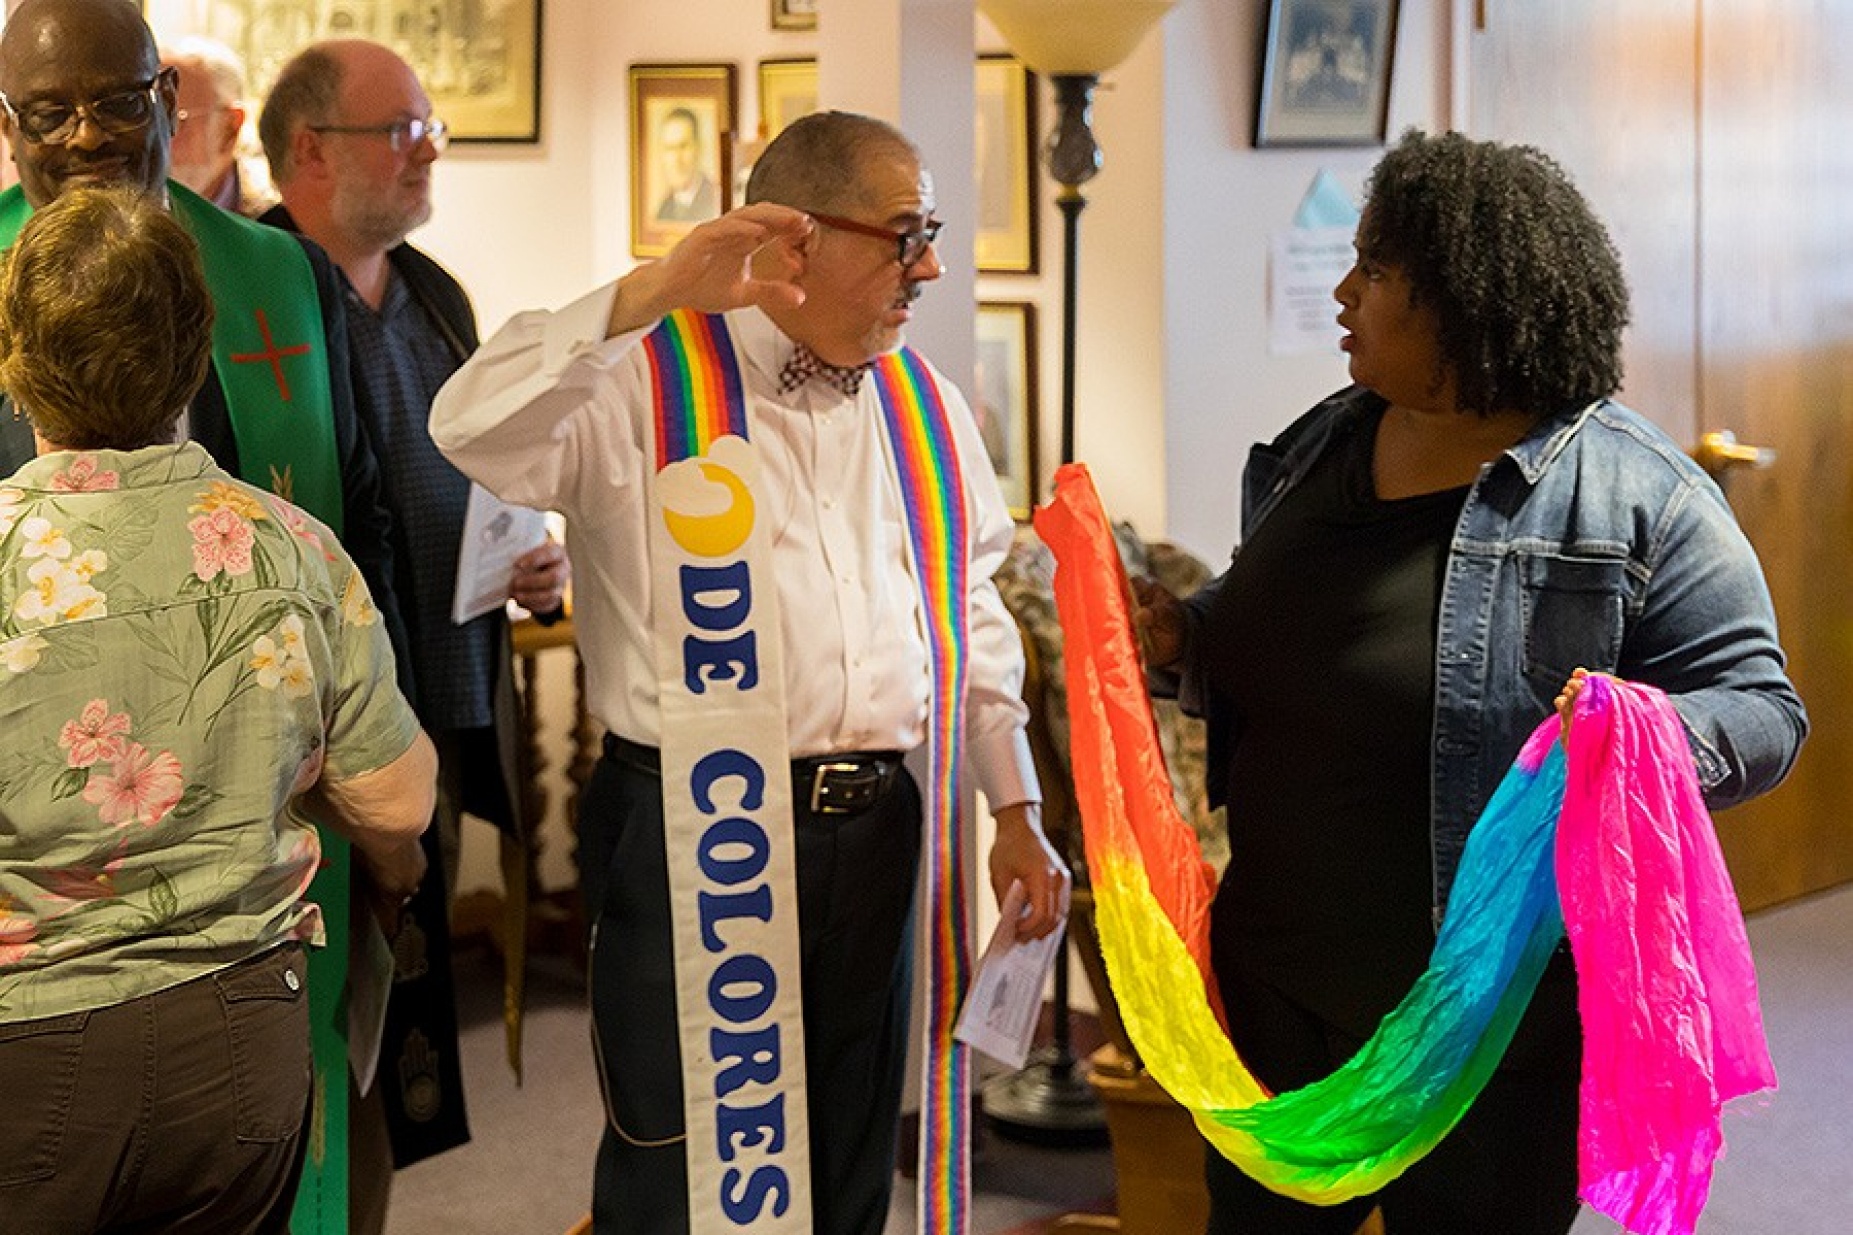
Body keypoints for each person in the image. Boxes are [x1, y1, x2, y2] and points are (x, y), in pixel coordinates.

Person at [1134, 129, 1807, 1235]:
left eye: (1377, 272)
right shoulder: (1318, 445)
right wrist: (1182, 638)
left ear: (1468, 304)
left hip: (1488, 1025)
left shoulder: (1641, 499)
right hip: (1272, 996)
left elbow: (1762, 713)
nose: (1342, 294)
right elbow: (1277, 640)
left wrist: (1635, 730)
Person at [430, 110, 1069, 1235]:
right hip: (693, 825)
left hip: (875, 827)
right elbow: (468, 426)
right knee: (683, 1164)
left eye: (931, 232)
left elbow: (967, 614)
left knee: (848, 1151)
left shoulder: (924, 404)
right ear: (796, 239)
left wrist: (1012, 800)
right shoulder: (641, 381)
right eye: (905, 233)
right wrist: (647, 292)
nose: (927, 265)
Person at [0, 185, 432, 1234]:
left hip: (29, 1047)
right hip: (241, 1031)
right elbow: (398, 803)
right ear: (199, 353)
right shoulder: (291, 547)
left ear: (16, 363)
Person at [256, 34, 570, 1208]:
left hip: (435, 709)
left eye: (431, 123)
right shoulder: (258, 290)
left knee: (396, 1035)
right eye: (404, 128)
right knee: (317, 1036)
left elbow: (480, 475)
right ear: (307, 150)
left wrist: (529, 562)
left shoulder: (437, 294)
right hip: (316, 745)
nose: (430, 146)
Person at [160, 33, 275, 217]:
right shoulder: (124, 221)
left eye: (171, 121)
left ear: (230, 127)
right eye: (147, 119)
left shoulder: (275, 227)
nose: (152, 138)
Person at [653, 105, 720, 223]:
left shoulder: (715, 198)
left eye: (683, 146)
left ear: (698, 148)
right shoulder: (663, 210)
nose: (676, 159)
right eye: (669, 148)